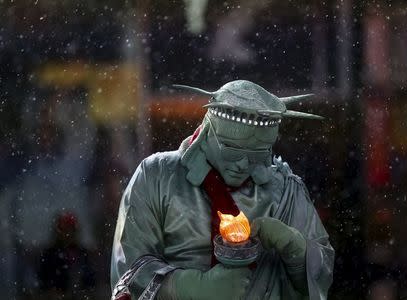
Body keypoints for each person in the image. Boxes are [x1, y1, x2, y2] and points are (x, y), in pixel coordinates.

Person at [111, 80, 334, 300]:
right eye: (232, 151)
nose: (243, 165)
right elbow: (127, 272)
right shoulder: (156, 176)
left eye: (257, 154)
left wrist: (297, 250)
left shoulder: (286, 190)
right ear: (208, 130)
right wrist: (188, 287)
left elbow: (321, 276)